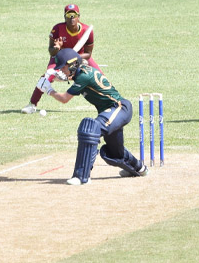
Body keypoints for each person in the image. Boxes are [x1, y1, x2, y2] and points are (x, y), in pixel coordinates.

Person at [36, 48, 148, 185]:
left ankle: (82, 176)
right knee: (114, 154)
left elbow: (65, 98)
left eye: (64, 67)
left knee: (90, 129)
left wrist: (48, 90)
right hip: (110, 112)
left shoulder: (83, 77)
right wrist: (56, 76)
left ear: (72, 65)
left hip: (119, 108)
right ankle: (138, 168)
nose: (62, 71)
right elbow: (73, 78)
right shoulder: (81, 72)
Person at [21, 4, 99, 114]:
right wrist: (56, 48)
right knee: (47, 76)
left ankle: (112, 102)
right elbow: (51, 51)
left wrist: (73, 57)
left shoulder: (87, 30)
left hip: (80, 56)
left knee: (99, 76)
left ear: (78, 17)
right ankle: (32, 104)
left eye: (74, 15)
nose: (71, 17)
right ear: (65, 17)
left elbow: (88, 54)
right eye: (69, 15)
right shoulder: (57, 29)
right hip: (61, 57)